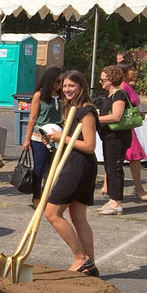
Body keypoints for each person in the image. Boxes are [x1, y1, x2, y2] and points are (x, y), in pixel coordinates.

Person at [43, 70, 100, 276]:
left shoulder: (86, 112)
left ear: (81, 87)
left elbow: (90, 146)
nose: (67, 90)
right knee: (77, 217)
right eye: (64, 86)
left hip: (80, 165)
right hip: (75, 163)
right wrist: (53, 138)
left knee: (51, 213)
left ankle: (80, 257)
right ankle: (90, 266)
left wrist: (62, 138)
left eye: (71, 86)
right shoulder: (72, 110)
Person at [21, 66, 64, 208]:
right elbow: (32, 118)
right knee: (39, 167)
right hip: (39, 137)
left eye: (62, 82)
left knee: (53, 168)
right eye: (58, 81)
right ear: (50, 80)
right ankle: (36, 197)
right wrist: (27, 139)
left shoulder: (62, 96)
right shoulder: (39, 96)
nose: (60, 85)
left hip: (57, 135)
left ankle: (48, 195)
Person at [95, 65, 131, 216]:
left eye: (103, 79)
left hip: (117, 138)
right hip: (109, 138)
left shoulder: (119, 95)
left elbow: (116, 116)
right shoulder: (110, 95)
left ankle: (117, 202)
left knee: (115, 168)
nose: (100, 81)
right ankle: (112, 200)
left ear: (111, 79)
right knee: (109, 167)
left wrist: (95, 119)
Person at [119, 61, 147, 202]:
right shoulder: (122, 87)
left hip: (129, 126)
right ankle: (138, 188)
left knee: (130, 157)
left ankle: (137, 187)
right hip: (123, 126)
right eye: (132, 70)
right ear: (125, 72)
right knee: (127, 157)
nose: (136, 72)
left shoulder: (129, 86)